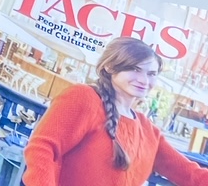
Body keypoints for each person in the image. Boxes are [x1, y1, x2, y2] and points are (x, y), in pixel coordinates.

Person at [23, 38, 208, 185]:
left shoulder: (147, 130)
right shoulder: (85, 98)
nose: (144, 80)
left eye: (151, 74)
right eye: (135, 69)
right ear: (110, 67)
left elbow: (190, 174)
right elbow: (42, 149)